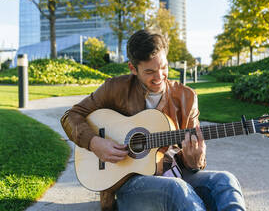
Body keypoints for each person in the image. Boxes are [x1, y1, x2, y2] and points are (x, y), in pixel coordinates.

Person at [61, 29, 246, 211]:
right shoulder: (115, 89)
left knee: (225, 180)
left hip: (175, 174)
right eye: (150, 71)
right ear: (133, 68)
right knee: (176, 188)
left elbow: (192, 160)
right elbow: (71, 116)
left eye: (164, 67)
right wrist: (95, 143)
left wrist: (194, 159)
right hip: (128, 184)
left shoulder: (186, 97)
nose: (159, 77)